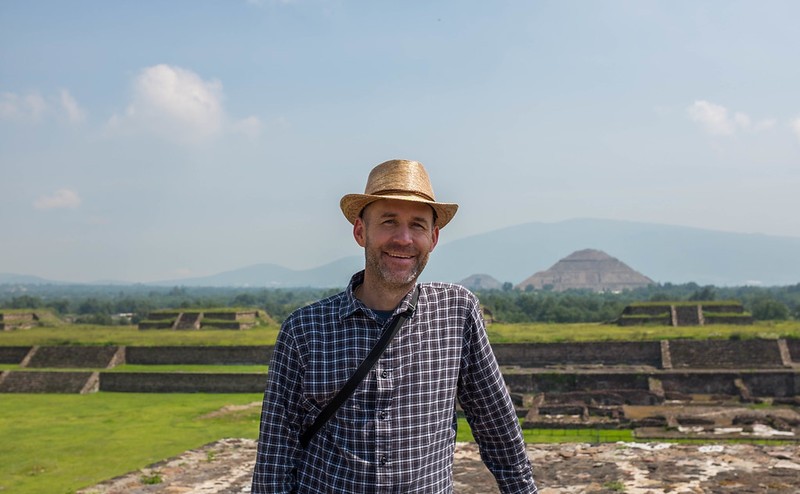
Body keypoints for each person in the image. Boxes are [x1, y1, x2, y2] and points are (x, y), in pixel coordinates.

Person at [251, 159, 537, 493]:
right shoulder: (305, 330)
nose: (403, 239)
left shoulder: (457, 313)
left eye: (417, 225)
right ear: (361, 232)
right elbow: (276, 453)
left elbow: (496, 425)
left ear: (434, 237)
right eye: (389, 222)